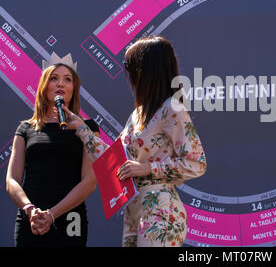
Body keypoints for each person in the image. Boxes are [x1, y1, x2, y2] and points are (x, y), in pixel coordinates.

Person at [62, 35, 207, 247]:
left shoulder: (172, 109)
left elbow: (196, 163)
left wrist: (148, 168)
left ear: (145, 68)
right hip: (134, 208)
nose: (127, 73)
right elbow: (115, 160)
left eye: (129, 65)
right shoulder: (138, 113)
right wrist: (82, 129)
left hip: (161, 210)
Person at [6, 53, 99, 247]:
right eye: (54, 78)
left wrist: (52, 214)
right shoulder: (25, 128)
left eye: (67, 79)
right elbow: (11, 180)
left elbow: (90, 181)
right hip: (31, 221)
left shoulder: (87, 127)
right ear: (44, 86)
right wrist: (30, 210)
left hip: (71, 221)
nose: (60, 84)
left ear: (74, 88)